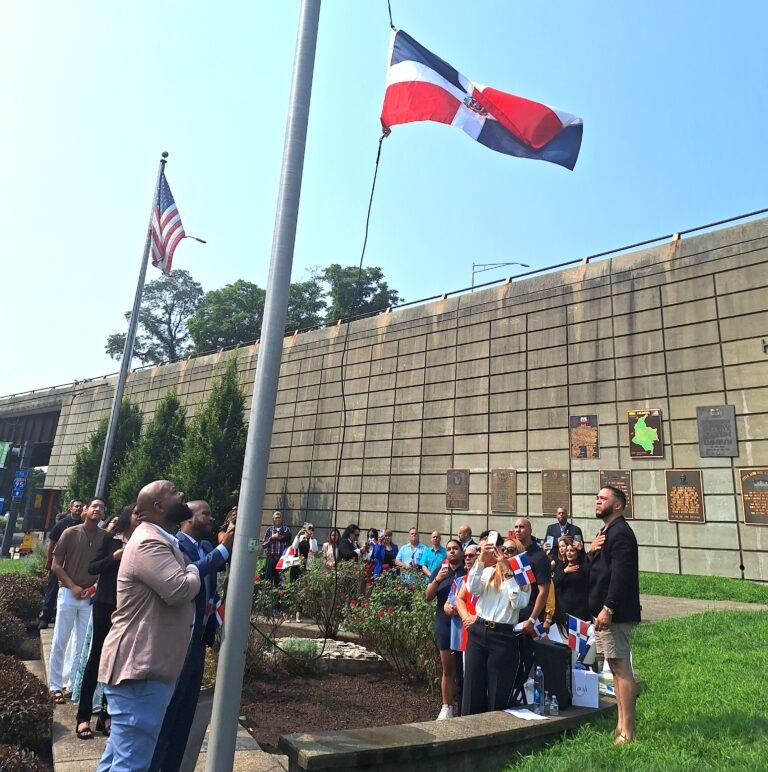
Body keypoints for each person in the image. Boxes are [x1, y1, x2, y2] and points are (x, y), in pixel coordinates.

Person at [97, 480, 201, 772]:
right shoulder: (148, 541)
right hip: (140, 671)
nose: (181, 493)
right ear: (157, 506)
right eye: (173, 491)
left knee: (118, 760)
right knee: (131, 765)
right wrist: (193, 569)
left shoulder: (155, 538)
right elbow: (179, 589)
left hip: (142, 670)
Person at [150, 500, 235, 772]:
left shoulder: (207, 547)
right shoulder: (176, 546)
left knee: (186, 712)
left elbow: (219, 564)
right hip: (180, 640)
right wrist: (225, 547)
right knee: (169, 712)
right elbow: (194, 570)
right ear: (188, 519)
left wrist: (234, 531)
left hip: (199, 640)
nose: (210, 519)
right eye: (205, 514)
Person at [75, 505, 140, 740]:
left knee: (118, 662)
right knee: (97, 658)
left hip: (128, 608)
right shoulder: (110, 539)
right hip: (105, 604)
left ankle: (106, 715)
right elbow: (93, 567)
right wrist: (114, 557)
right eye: (136, 513)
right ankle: (83, 717)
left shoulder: (143, 541)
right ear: (127, 517)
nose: (139, 518)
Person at [587, 486, 641, 744]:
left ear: (618, 505)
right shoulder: (606, 532)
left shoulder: (621, 534)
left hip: (613, 614)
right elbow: (598, 570)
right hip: (604, 613)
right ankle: (620, 725)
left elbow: (621, 575)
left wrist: (608, 607)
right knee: (615, 668)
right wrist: (589, 551)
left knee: (622, 670)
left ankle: (628, 731)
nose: (598, 502)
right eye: (597, 498)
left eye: (603, 499)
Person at [459, 531, 530, 715]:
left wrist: (507, 574)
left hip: (503, 636)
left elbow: (519, 603)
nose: (505, 553)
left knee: (498, 692)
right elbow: (472, 589)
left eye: (511, 550)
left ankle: (494, 735)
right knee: (472, 688)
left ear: (518, 553)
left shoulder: (522, 577)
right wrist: (481, 559)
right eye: (503, 549)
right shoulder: (489, 571)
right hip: (480, 630)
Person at [49, 497, 107, 704]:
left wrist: (91, 588)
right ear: (85, 510)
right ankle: (55, 685)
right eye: (94, 506)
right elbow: (56, 565)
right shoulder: (69, 533)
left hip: (90, 595)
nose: (97, 509)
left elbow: (105, 567)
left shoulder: (105, 537)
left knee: (83, 644)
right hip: (67, 592)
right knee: (60, 639)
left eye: (101, 507)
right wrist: (72, 586)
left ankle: (73, 684)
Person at [425, 539, 465, 720]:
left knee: (465, 669)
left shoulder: (468, 571)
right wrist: (437, 580)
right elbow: (428, 596)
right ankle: (446, 706)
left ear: (462, 552)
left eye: (455, 548)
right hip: (445, 624)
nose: (452, 552)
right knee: (448, 668)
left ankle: (464, 706)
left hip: (464, 625)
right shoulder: (441, 571)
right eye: (449, 549)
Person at [39, 499, 84, 629]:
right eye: (76, 506)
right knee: (52, 589)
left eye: (81, 506)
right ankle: (45, 617)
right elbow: (52, 543)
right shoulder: (62, 524)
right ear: (70, 508)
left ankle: (59, 615)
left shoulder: (84, 524)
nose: (79, 508)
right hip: (59, 562)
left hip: (75, 563)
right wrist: (49, 560)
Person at [553, 541, 589, 621]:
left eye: (572, 551)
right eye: (567, 551)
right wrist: (565, 571)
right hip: (563, 611)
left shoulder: (582, 567)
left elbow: (588, 568)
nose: (569, 553)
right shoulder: (561, 567)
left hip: (579, 611)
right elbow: (554, 583)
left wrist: (582, 551)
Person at [261, 511, 292, 586]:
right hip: (271, 558)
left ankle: (278, 596)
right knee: (268, 581)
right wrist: (271, 538)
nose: (277, 519)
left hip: (281, 559)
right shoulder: (269, 530)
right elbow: (263, 545)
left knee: (280, 581)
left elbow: (289, 545)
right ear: (273, 519)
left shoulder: (286, 530)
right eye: (276, 518)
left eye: (279, 518)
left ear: (282, 519)